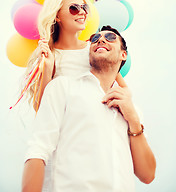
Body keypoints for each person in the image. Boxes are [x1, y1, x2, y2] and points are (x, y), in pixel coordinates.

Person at [22, 26, 156, 192]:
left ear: (123, 55)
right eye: (94, 39)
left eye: (110, 37)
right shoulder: (63, 87)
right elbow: (38, 149)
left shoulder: (132, 110)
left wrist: (134, 121)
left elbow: (148, 175)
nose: (100, 39)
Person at [24, 0, 127, 111]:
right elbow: (41, 110)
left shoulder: (94, 49)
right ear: (57, 15)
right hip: (71, 127)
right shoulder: (49, 56)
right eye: (74, 8)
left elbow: (124, 89)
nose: (82, 12)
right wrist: (48, 68)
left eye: (84, 7)